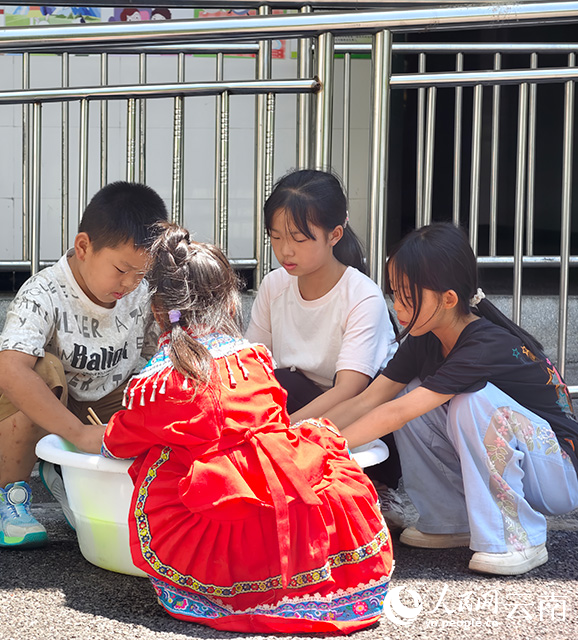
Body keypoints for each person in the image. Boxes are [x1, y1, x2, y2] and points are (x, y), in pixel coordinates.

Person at [102, 223, 393, 634]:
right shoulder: (254, 360)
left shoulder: (157, 384)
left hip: (225, 525)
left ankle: (228, 594)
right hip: (295, 508)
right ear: (229, 302)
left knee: (159, 457)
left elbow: (116, 443)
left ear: (156, 309)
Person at [327, 222, 578, 576]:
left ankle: (518, 538)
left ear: (448, 299)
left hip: (559, 474)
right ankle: (450, 521)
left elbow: (397, 413)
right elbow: (369, 400)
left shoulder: (484, 343)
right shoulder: (425, 335)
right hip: (531, 461)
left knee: (467, 403)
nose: (398, 307)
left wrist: (324, 447)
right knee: (411, 389)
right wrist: (302, 435)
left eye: (409, 298)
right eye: (395, 294)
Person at [0, 181, 168, 548]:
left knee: (157, 383)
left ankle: (74, 479)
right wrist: (78, 434)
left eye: (141, 274)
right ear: (83, 246)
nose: (130, 283)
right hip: (25, 411)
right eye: (121, 269)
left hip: (102, 402)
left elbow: (164, 359)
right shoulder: (43, 291)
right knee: (40, 369)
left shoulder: (142, 294)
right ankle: (6, 501)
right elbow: (10, 371)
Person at [244, 169, 402, 504]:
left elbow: (352, 390)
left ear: (335, 234)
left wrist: (281, 430)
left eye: (299, 239)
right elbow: (252, 366)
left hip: (355, 418)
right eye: (276, 237)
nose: (286, 250)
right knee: (272, 383)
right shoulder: (274, 286)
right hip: (296, 406)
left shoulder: (362, 296)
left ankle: (381, 490)